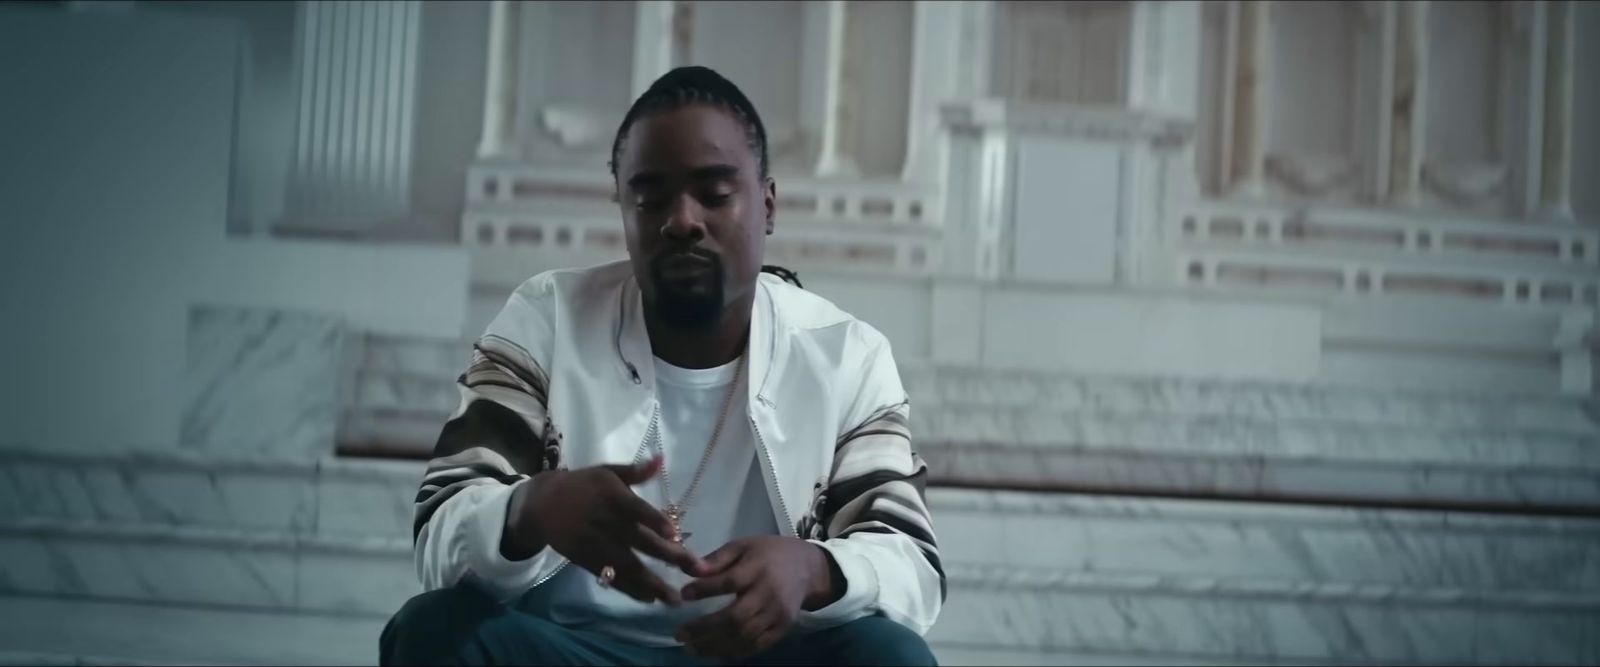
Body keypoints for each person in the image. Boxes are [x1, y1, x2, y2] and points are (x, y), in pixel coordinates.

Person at [380, 66, 944, 666]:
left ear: (768, 205)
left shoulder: (845, 354)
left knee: (891, 657)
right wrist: (534, 508)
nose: (681, 220)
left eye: (715, 194)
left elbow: (912, 565)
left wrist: (814, 568)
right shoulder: (547, 320)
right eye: (650, 199)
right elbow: (440, 531)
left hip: (760, 657)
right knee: (432, 633)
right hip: (572, 650)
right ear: (623, 208)